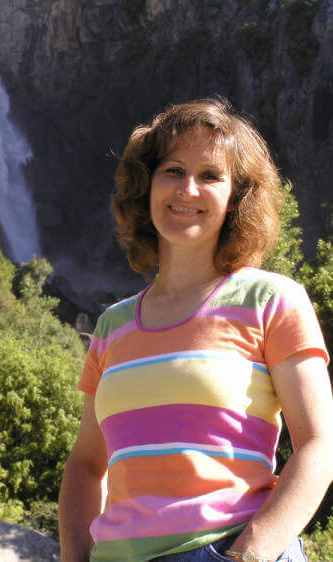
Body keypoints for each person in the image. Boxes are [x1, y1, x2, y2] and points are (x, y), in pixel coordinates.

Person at [58, 98, 332, 562]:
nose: (188, 189)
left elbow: (319, 446)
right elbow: (86, 465)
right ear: (146, 186)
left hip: (226, 548)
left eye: (210, 176)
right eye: (172, 170)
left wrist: (248, 554)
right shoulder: (112, 326)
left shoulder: (271, 300)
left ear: (235, 198)